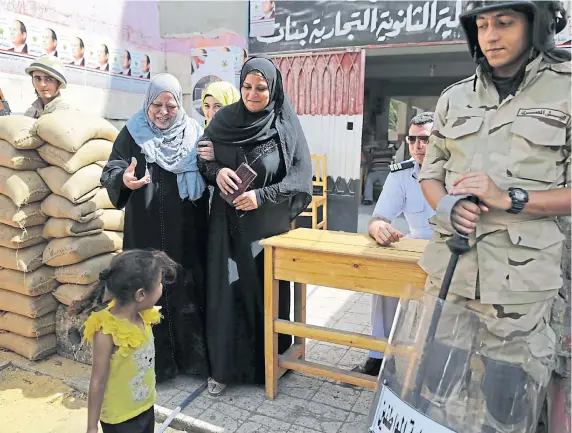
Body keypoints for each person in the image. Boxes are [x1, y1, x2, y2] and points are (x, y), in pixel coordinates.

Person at [418, 1, 570, 431]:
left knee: (507, 405)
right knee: (437, 392)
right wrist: (447, 205)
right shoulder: (454, 97)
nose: (491, 35)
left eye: (504, 23)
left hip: (519, 287)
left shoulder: (567, 90)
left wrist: (509, 198)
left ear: (536, 25)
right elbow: (430, 175)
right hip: (451, 272)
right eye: (482, 25)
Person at [198, 55, 312, 396]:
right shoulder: (223, 122)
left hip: (266, 231)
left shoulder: (285, 126)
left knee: (264, 297)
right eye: (247, 86)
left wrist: (261, 196)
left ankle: (270, 365)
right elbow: (202, 163)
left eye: (261, 88)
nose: (252, 93)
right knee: (225, 296)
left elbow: (301, 179)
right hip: (225, 228)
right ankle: (223, 369)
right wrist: (216, 172)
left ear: (273, 89)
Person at [101, 73, 210, 383]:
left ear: (180, 105)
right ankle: (153, 366)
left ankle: (191, 361)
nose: (164, 112)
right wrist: (123, 178)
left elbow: (209, 171)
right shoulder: (132, 133)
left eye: (171, 105)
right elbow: (114, 167)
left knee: (184, 287)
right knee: (144, 290)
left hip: (185, 233)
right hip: (144, 230)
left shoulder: (193, 133)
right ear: (147, 104)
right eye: (157, 105)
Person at [353, 112, 435, 376]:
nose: (418, 146)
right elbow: (378, 217)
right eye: (412, 139)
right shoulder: (402, 174)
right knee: (384, 280)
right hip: (415, 248)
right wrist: (380, 229)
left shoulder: (458, 171)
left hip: (451, 250)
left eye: (425, 139)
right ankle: (378, 355)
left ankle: (434, 363)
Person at [83, 249, 177, 433]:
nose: (161, 287)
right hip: (120, 420)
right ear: (141, 294)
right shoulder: (106, 332)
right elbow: (97, 381)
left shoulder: (144, 317)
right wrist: (92, 427)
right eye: (159, 283)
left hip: (145, 407)